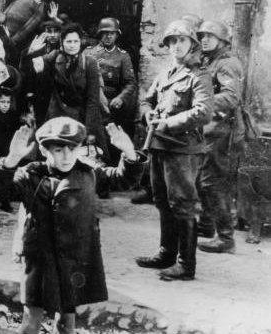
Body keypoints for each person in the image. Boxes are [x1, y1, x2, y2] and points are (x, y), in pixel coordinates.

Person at [0, 118, 144, 334]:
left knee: (66, 323)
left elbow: (123, 179)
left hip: (74, 262)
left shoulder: (89, 171)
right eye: (59, 150)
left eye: (73, 149)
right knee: (31, 321)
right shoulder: (31, 174)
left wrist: (129, 153)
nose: (67, 156)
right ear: (43, 150)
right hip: (41, 261)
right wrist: (11, 160)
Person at [135, 19, 213, 281]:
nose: (176, 46)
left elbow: (203, 112)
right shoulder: (165, 73)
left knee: (182, 204)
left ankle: (185, 264)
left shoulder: (199, 75)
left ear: (192, 43)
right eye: (172, 41)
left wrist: (167, 123)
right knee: (161, 200)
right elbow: (146, 99)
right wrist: (147, 115)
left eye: (181, 40)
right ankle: (166, 253)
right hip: (159, 146)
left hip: (182, 149)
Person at [196, 21, 245, 253]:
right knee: (204, 178)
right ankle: (206, 226)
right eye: (202, 35)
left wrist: (200, 104)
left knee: (213, 182)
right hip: (212, 129)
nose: (204, 39)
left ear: (223, 40)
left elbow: (230, 97)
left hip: (225, 132)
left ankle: (226, 238)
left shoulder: (227, 64)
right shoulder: (210, 60)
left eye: (210, 36)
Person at [27, 23, 108, 154]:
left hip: (81, 117)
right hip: (57, 115)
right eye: (68, 41)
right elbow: (31, 69)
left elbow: (92, 100)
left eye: (76, 41)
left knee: (85, 156)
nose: (72, 45)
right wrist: (30, 53)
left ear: (80, 42)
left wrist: (90, 130)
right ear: (62, 42)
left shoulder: (89, 63)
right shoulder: (54, 57)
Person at [83, 17, 137, 160]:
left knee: (111, 143)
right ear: (100, 34)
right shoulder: (89, 53)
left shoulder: (123, 56)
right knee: (90, 141)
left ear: (117, 35)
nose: (108, 36)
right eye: (105, 33)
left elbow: (130, 83)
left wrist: (121, 98)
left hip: (112, 106)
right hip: (91, 103)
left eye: (111, 33)